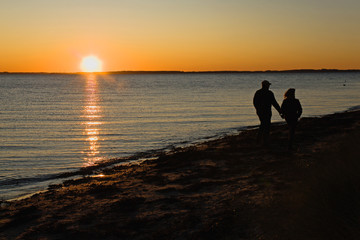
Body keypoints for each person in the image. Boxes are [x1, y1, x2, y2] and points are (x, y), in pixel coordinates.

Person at [253, 80, 282, 146]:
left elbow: (255, 102)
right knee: (266, 125)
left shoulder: (258, 92)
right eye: (268, 85)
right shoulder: (269, 93)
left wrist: (258, 110)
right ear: (266, 85)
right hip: (266, 111)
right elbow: (274, 103)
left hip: (262, 112)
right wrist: (280, 111)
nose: (269, 86)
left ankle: (261, 140)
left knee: (264, 124)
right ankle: (263, 140)